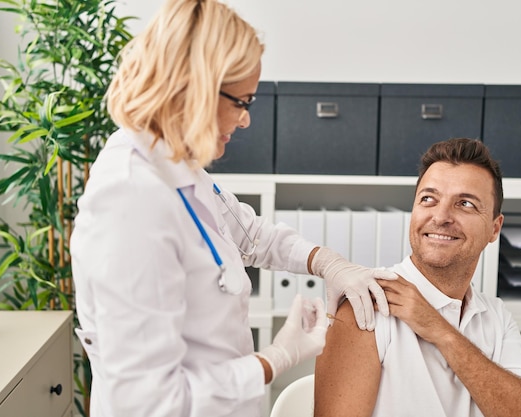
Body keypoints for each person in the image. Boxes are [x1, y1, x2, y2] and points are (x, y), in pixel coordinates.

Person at [70, 1, 396, 416]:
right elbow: (148, 402)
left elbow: (248, 236)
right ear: (194, 87)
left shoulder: (176, 164)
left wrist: (327, 263)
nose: (244, 121)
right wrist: (273, 360)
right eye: (241, 102)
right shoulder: (131, 200)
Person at [314, 138, 521, 417]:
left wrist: (441, 332)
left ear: (494, 228)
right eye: (428, 199)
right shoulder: (367, 304)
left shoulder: (495, 317)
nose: (441, 216)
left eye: (465, 203)